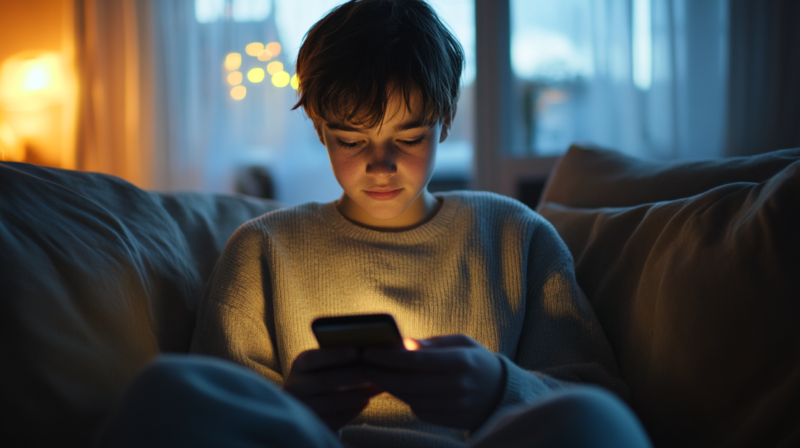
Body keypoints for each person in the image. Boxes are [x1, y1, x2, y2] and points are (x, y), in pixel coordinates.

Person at [97, 1, 652, 447]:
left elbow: (603, 407)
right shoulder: (262, 250)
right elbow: (222, 410)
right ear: (318, 130)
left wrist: (501, 390)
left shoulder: (515, 236)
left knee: (593, 418)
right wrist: (295, 408)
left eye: (408, 138)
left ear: (445, 121)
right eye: (351, 140)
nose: (380, 164)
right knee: (164, 390)